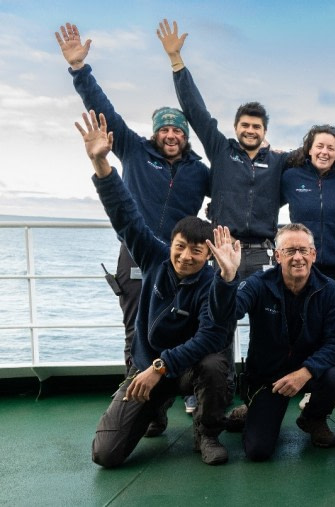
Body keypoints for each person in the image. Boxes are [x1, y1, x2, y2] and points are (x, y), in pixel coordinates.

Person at [56, 24, 209, 392]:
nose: (171, 135)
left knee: (183, 323)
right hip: (139, 251)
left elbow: (235, 191)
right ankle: (138, 394)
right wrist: (80, 70)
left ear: (185, 137)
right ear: (156, 132)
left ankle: (186, 392)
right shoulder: (135, 150)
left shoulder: (200, 172)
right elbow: (103, 112)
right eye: (165, 130)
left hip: (179, 257)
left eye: (178, 131)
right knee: (136, 324)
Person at [79, 111, 230, 467]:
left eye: (197, 250)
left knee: (213, 365)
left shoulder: (213, 281)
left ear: (208, 253)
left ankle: (207, 432)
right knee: (106, 454)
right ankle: (154, 411)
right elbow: (125, 213)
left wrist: (161, 366)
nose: (186, 256)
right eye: (180, 246)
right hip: (152, 371)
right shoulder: (154, 258)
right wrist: (101, 163)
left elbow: (211, 336)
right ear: (170, 243)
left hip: (186, 369)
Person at [158, 19, 288, 278]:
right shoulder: (221, 150)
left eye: (256, 127)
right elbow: (196, 112)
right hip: (224, 249)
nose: (251, 130)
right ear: (236, 127)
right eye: (245, 125)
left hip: (264, 251)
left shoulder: (277, 161)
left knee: (267, 317)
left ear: (265, 131)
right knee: (221, 316)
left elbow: (318, 150)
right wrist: (176, 61)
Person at [207, 224, 335, 461]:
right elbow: (225, 316)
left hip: (308, 372)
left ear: (313, 254)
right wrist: (227, 278)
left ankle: (313, 418)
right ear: (277, 255)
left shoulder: (329, 289)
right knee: (258, 451)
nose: (298, 257)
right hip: (267, 377)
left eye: (304, 250)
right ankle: (252, 411)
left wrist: (305, 372)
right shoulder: (258, 284)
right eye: (290, 250)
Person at [282, 125, 335, 409]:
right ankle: (311, 384)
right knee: (307, 325)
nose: (324, 152)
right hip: (304, 264)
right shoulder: (290, 177)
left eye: (331, 148)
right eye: (319, 146)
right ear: (308, 149)